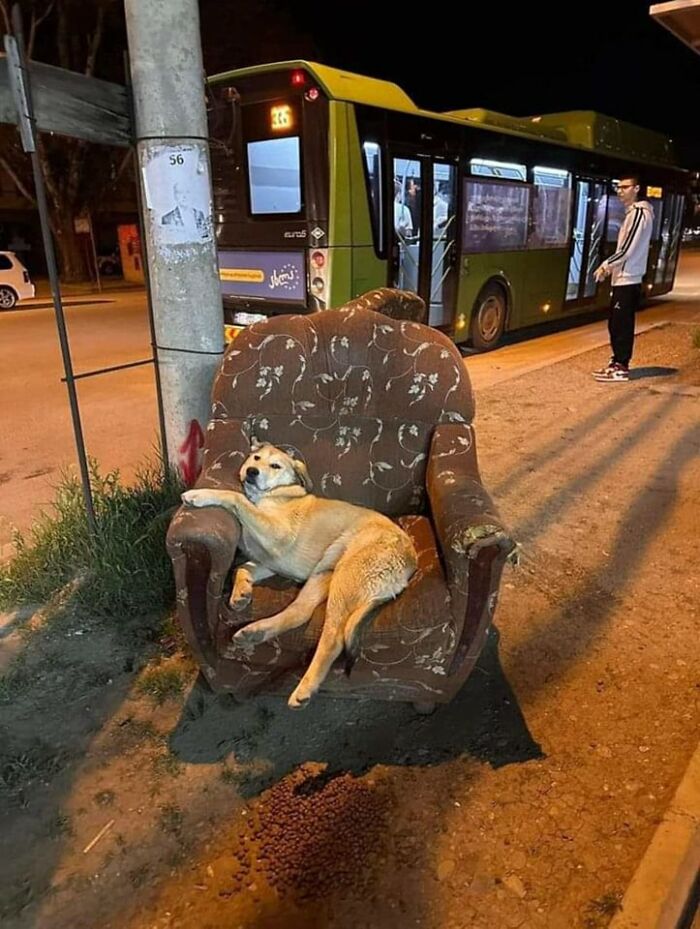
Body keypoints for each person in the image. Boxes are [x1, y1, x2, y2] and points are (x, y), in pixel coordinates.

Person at [592, 176, 654, 383]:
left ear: (636, 188)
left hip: (628, 278)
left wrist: (606, 265)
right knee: (616, 323)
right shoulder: (633, 213)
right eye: (618, 187)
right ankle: (616, 362)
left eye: (625, 187)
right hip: (623, 277)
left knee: (621, 324)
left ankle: (621, 366)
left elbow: (627, 249)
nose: (620, 191)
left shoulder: (639, 213)